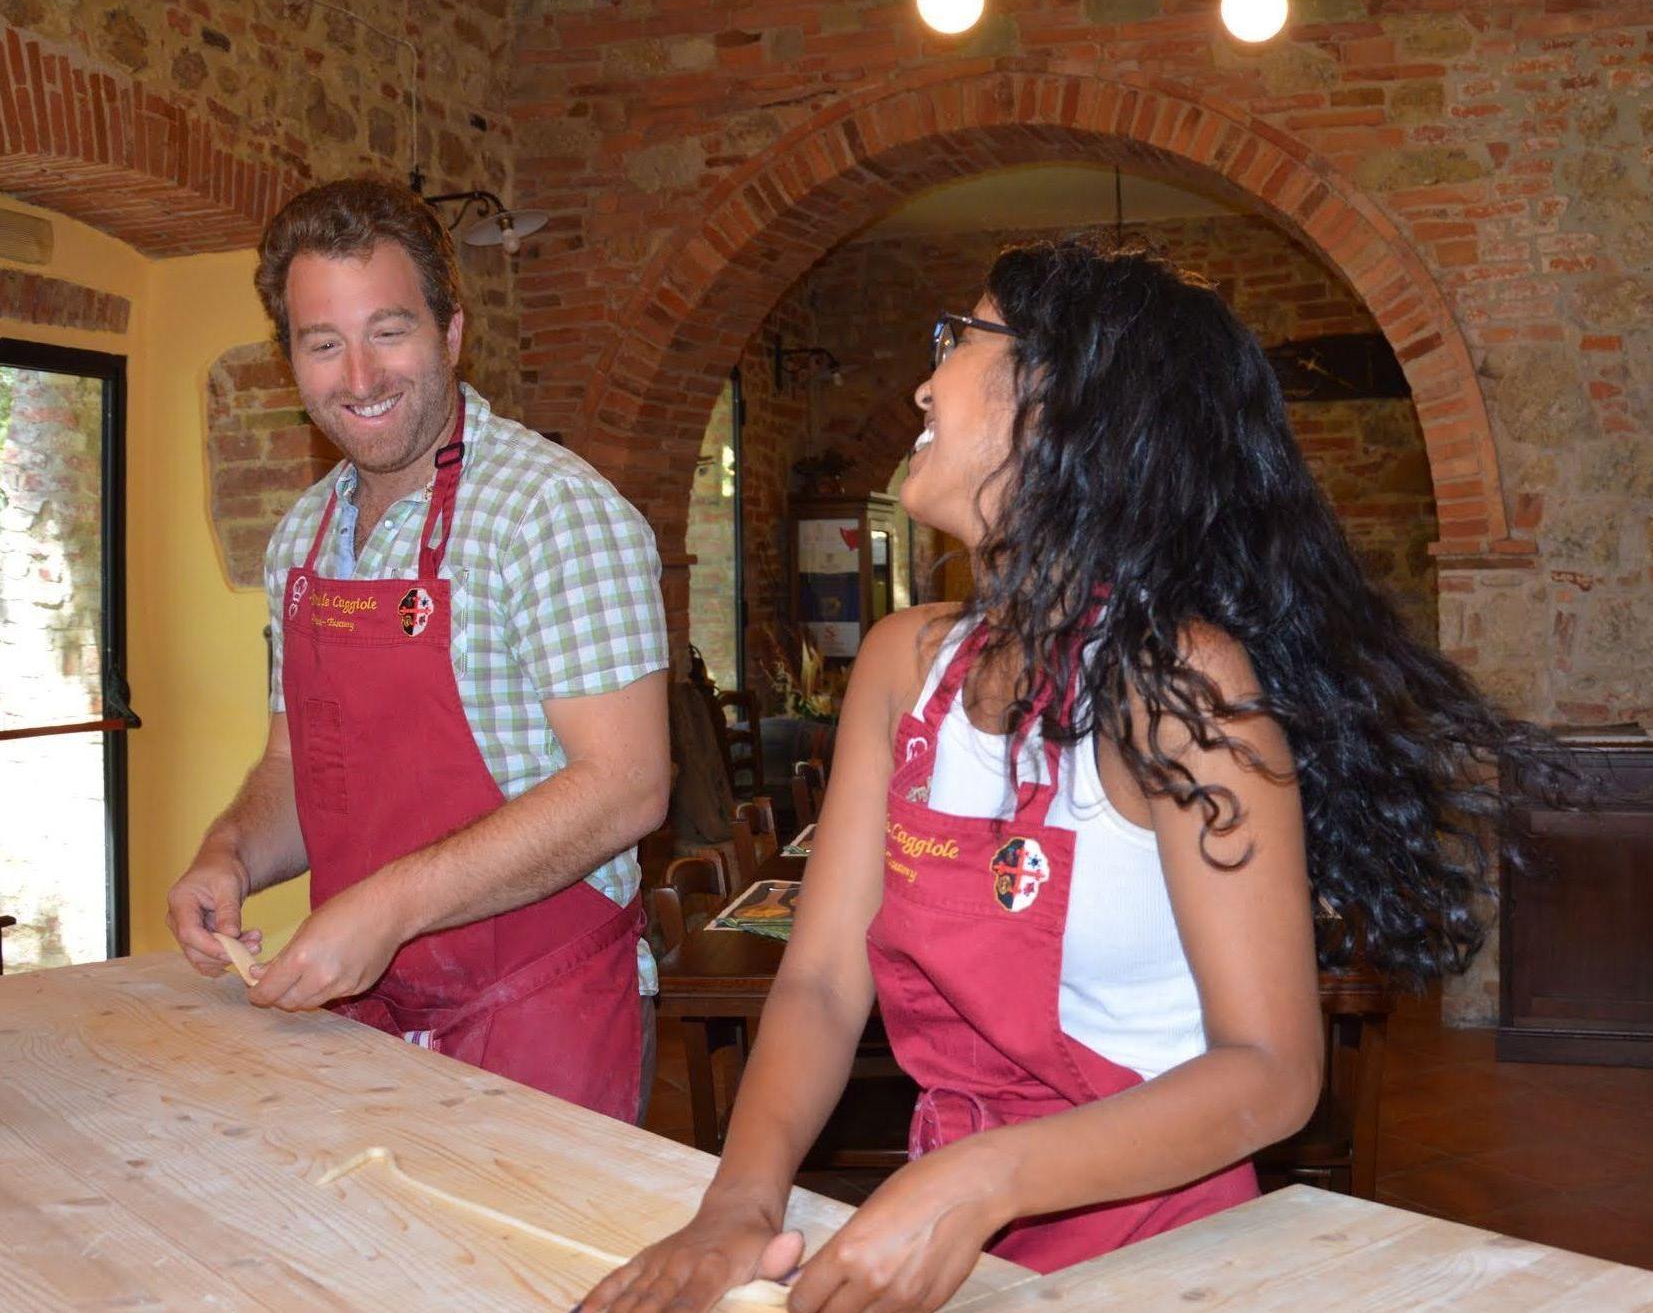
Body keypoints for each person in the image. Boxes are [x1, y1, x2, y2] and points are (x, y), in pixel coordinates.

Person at [584, 240, 1563, 1311]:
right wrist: (741, 1201)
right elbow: (820, 983)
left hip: (1161, 1249)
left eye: (958, 339)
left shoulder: (1180, 685)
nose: (924, 377)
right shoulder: (902, 666)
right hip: (960, 1224)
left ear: (1065, 404)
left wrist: (982, 1179)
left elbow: (1273, 1070)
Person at [166, 178, 671, 1124]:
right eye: (324, 343)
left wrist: (388, 906)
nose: (358, 376)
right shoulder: (303, 537)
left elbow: (628, 783)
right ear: (292, 361)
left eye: (388, 330)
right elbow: (295, 765)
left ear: (451, 332)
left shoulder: (552, 511)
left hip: (537, 1012)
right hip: (363, 1018)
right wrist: (229, 856)